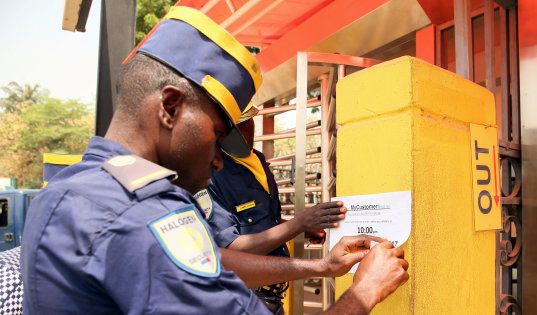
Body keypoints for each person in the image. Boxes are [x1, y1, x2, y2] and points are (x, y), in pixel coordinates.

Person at [20, 6, 408, 314]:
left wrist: (321, 267)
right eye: (217, 135)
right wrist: (364, 292)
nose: (220, 159)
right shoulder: (142, 218)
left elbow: (213, 261)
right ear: (170, 107)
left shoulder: (71, 189)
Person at [202, 117, 345, 313]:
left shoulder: (258, 160)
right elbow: (232, 251)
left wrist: (302, 227)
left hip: (272, 299)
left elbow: (265, 223)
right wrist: (299, 224)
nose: (248, 130)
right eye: (239, 124)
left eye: (249, 121)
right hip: (242, 299)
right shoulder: (211, 174)